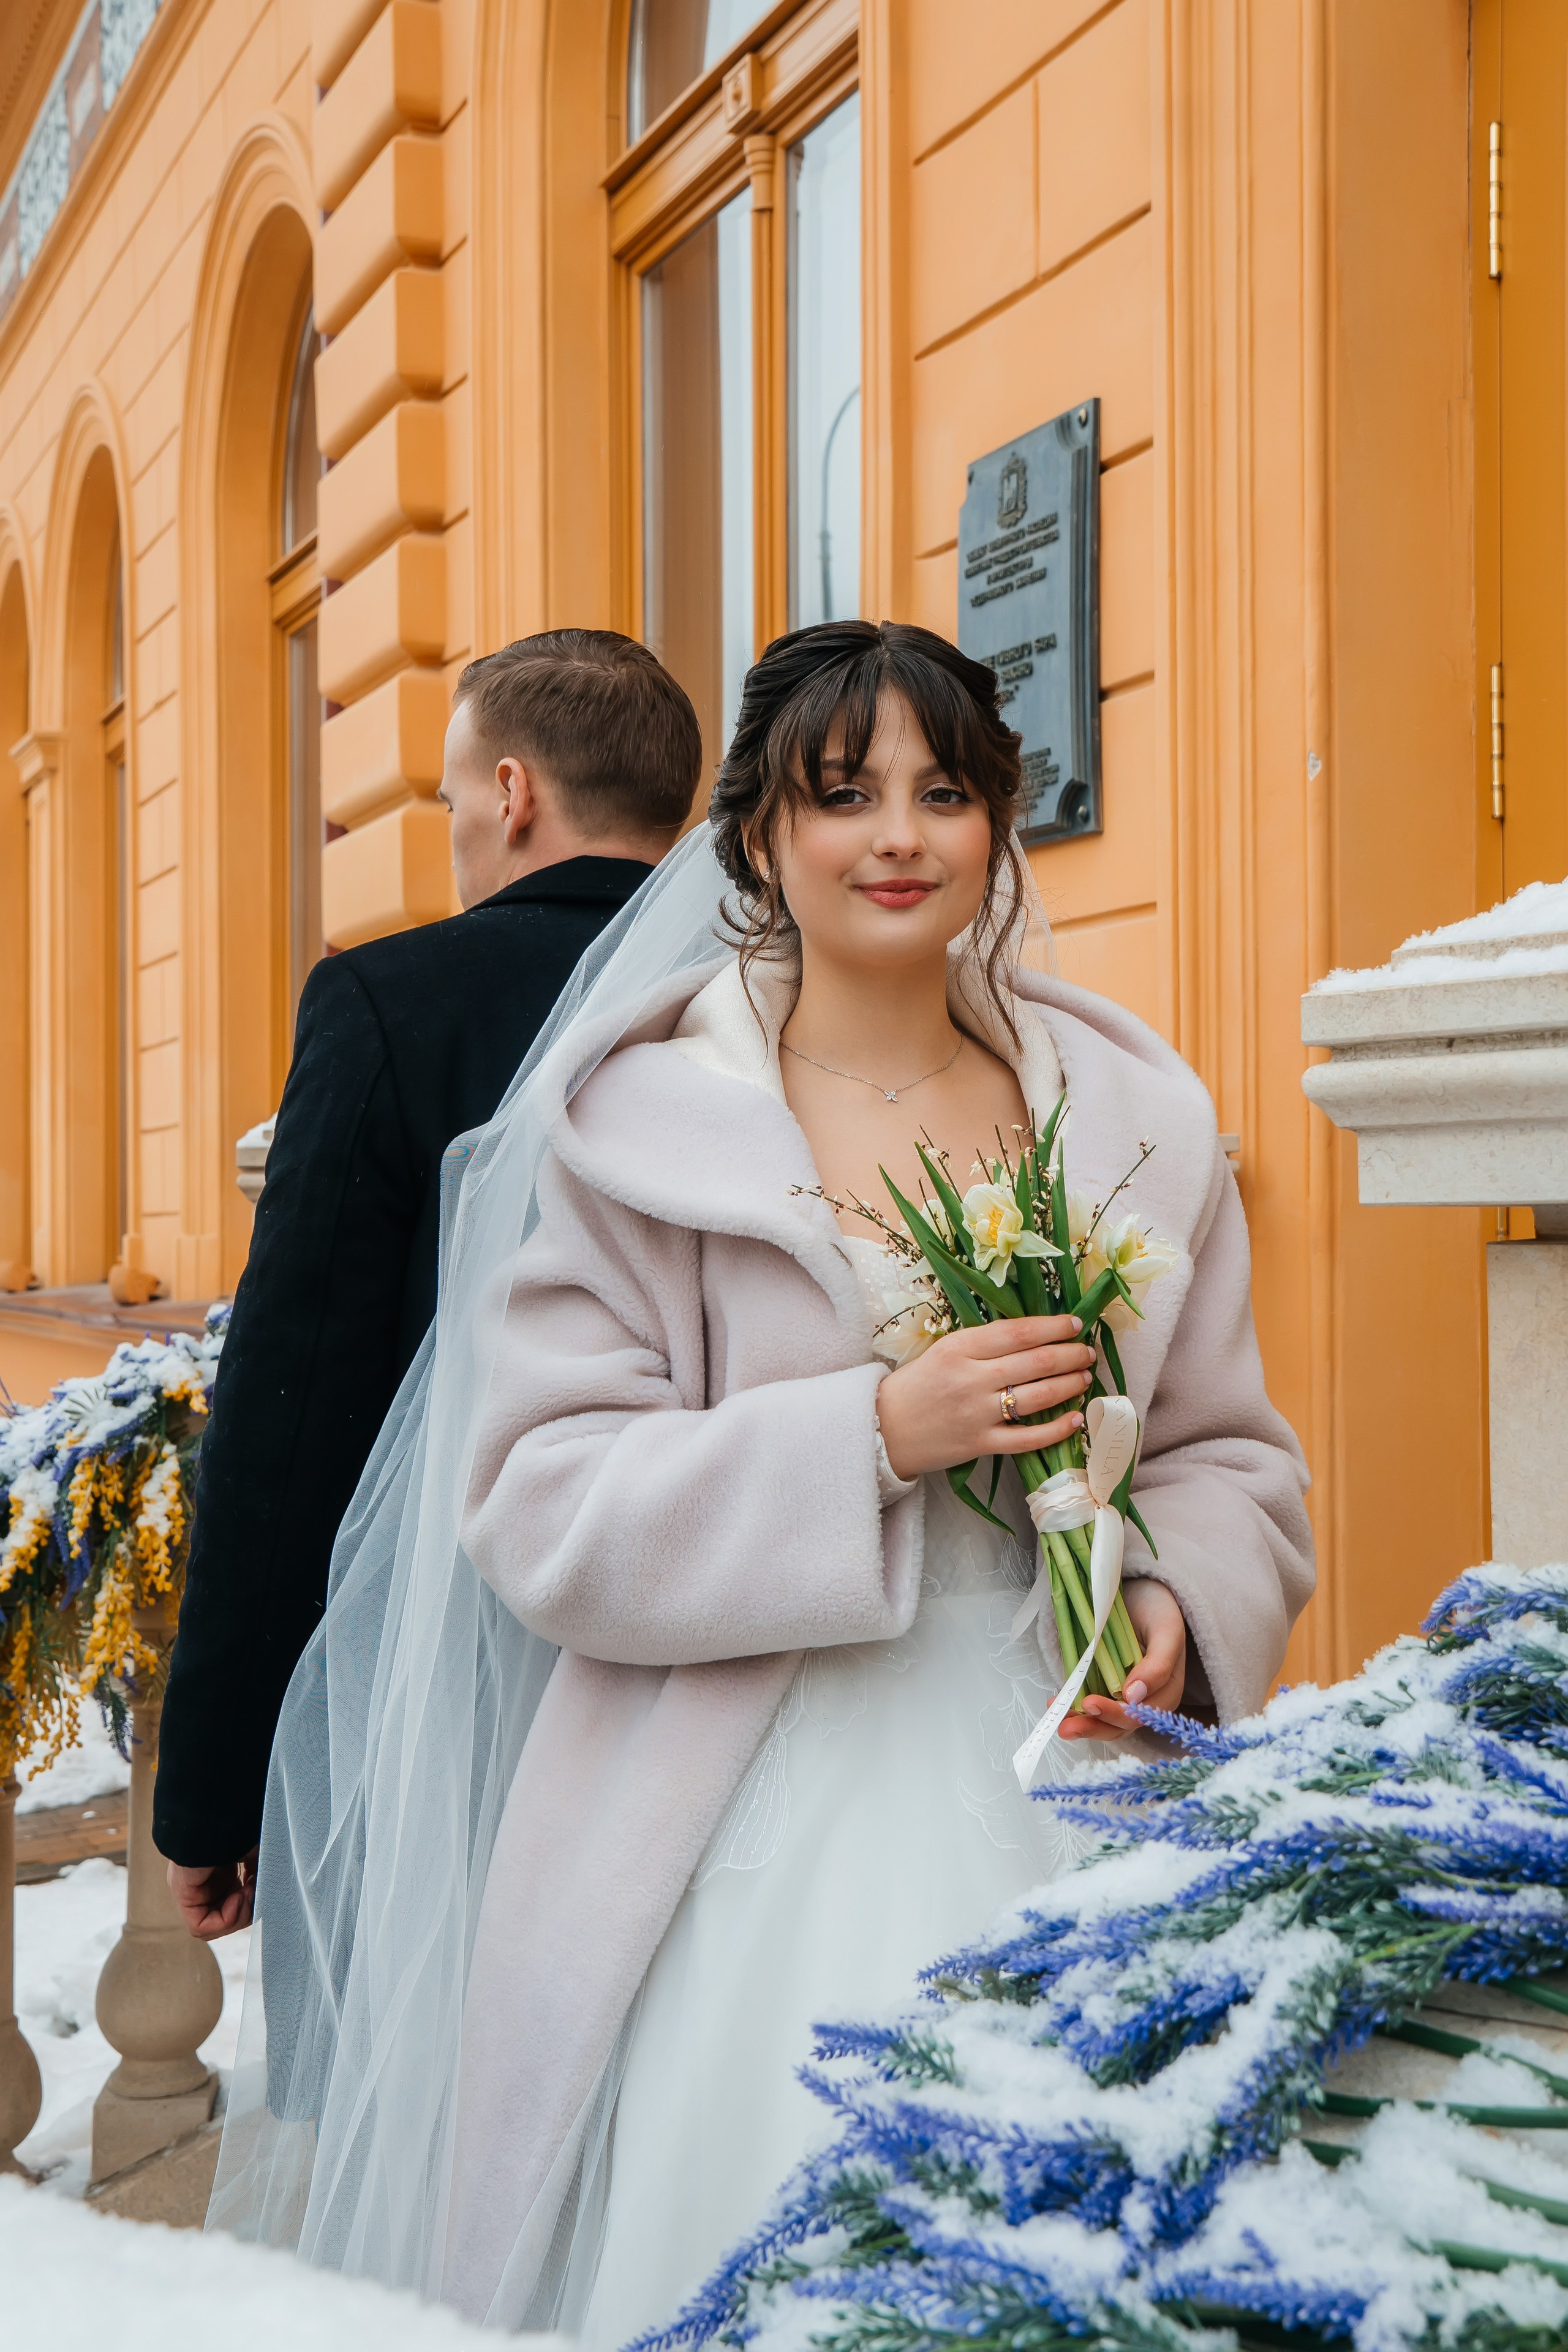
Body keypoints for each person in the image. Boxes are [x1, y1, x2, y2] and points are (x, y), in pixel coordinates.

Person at [209, 624, 1311, 2337]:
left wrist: (1171, 1604)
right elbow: (541, 1499)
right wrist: (873, 1437)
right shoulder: (640, 1123)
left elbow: (1228, 1451)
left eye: (945, 793)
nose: (899, 836)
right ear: (758, 838)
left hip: (1073, 1787)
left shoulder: (1130, 1112)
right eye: (844, 793)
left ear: (1000, 823)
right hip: (730, 1830)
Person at [154, 629, 702, 1931]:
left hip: (449, 1671)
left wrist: (217, 1786)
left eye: (451, 796)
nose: (455, 825)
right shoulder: (761, 988)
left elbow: (293, 1407)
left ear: (512, 793)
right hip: (705, 1639)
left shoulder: (388, 1004)